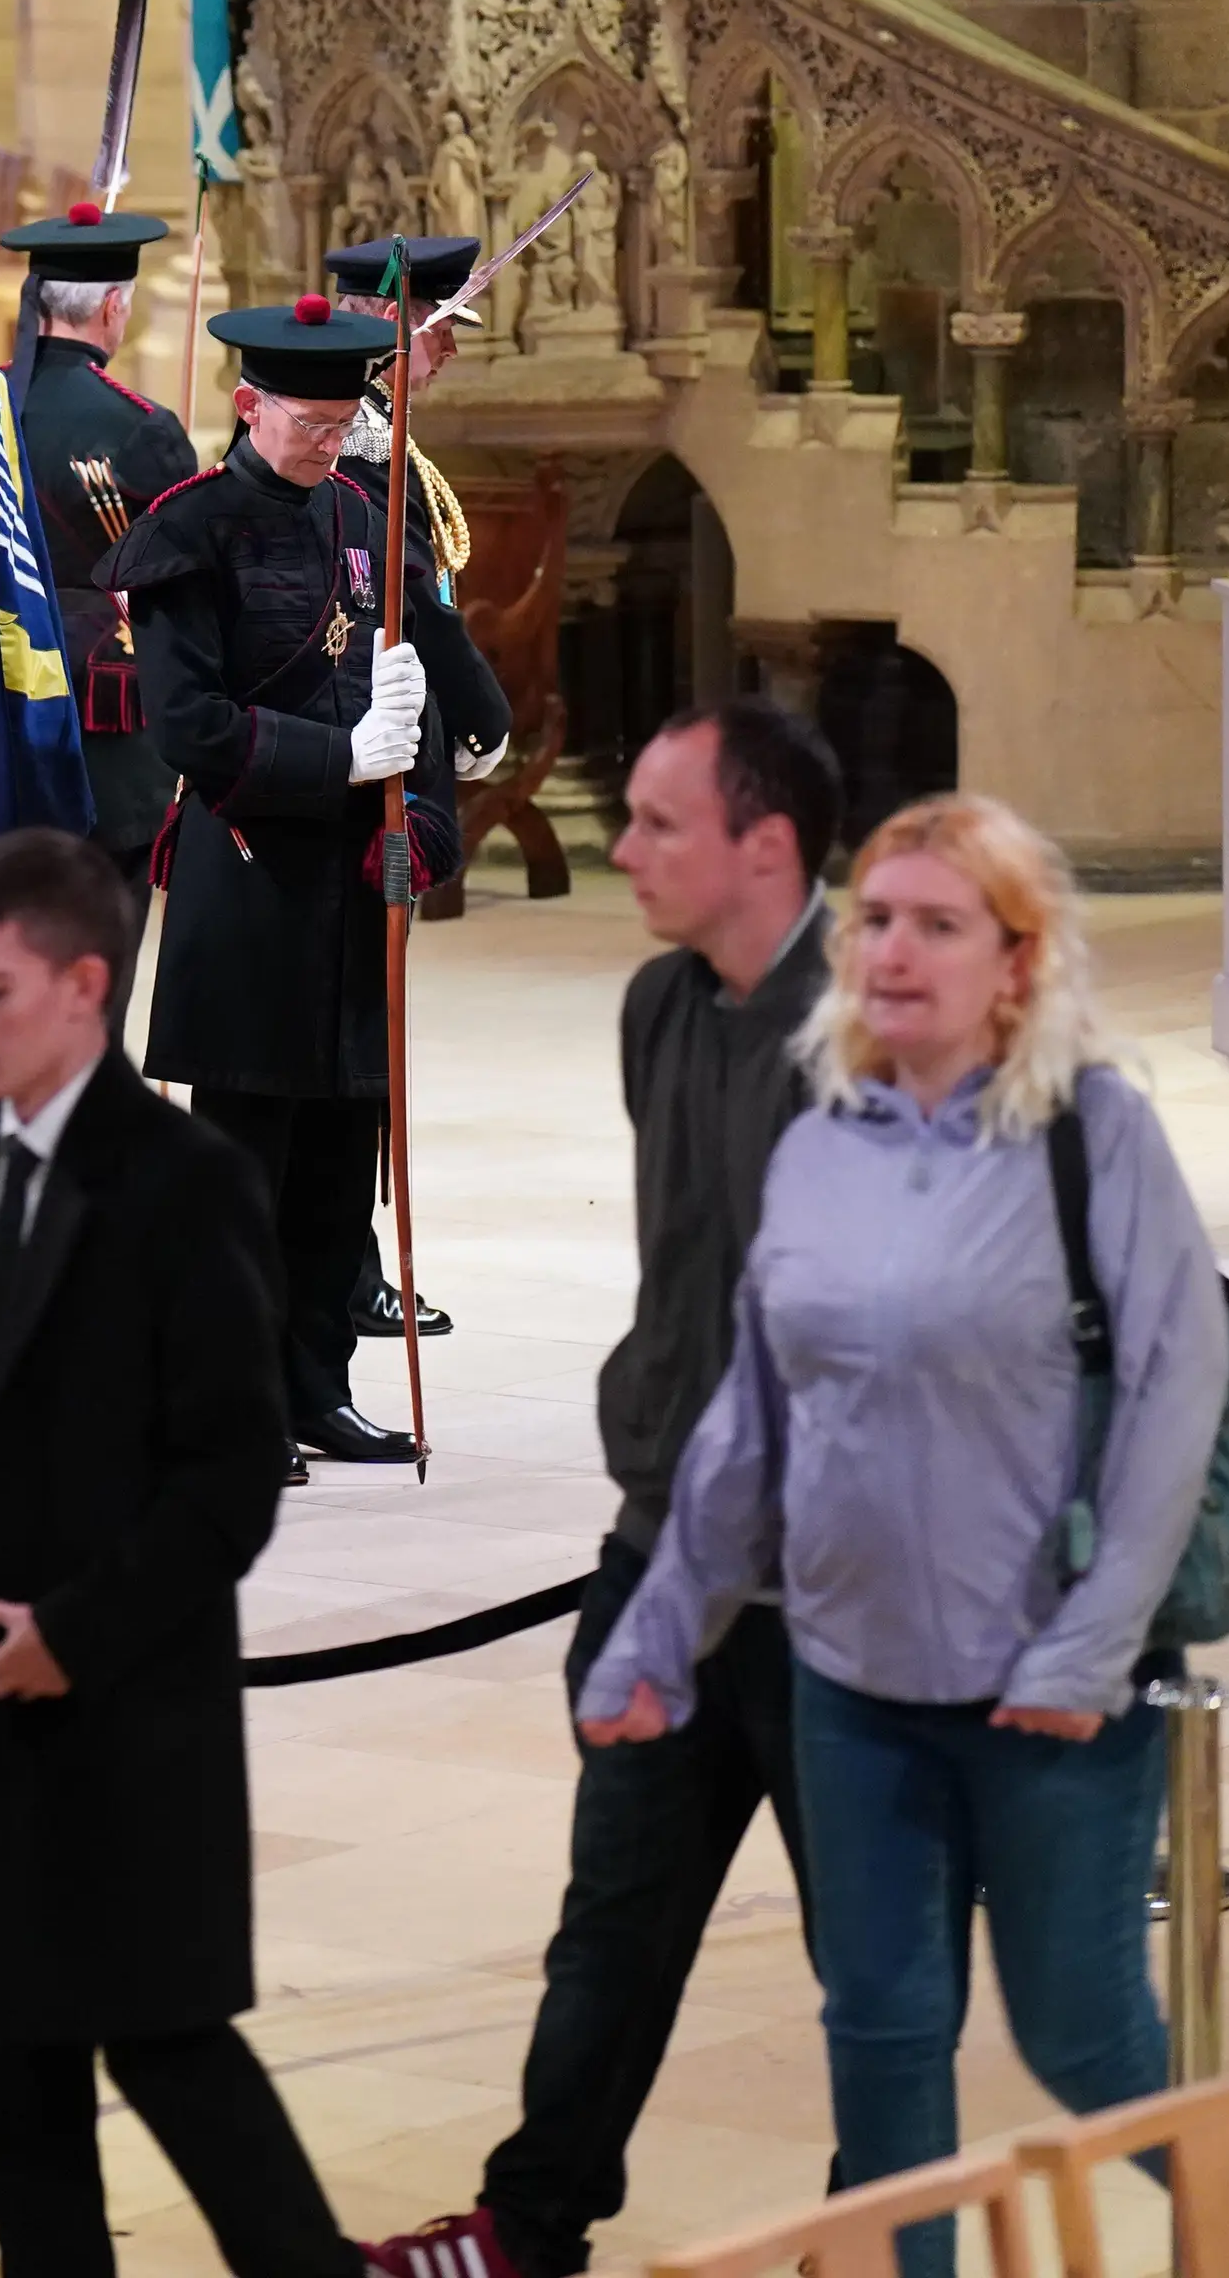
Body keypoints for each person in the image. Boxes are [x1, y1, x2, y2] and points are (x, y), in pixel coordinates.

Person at [576, 794, 1229, 2278]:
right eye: (875, 920)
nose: (895, 952)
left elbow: (1177, 1397)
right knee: (883, 2045)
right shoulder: (823, 1144)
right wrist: (659, 1630)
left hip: (1045, 1687)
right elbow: (750, 1417)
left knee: (1088, 2040)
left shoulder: (1094, 1133)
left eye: (940, 924)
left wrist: (1095, 1643)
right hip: (854, 1687)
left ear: (1016, 961)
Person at [0, 828, 457, 2278]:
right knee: (6, 2069)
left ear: (84, 986)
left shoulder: (186, 1182)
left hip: (117, 1715)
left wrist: (79, 1631)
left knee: (171, 2055)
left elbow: (231, 1477)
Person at [411, 701, 841, 2278]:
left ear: (767, 845)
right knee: (614, 1924)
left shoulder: (870, 1029)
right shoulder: (660, 1005)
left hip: (824, 1592)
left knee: (872, 1964)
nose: (630, 847)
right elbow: (686, 1290)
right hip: (665, 1549)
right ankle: (529, 2229)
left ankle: (882, 2242)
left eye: (661, 823)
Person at [113, 297, 510, 1478]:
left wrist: (422, 831)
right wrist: (332, 758)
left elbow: (421, 704)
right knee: (245, 1168)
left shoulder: (370, 522)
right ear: (249, 405)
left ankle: (315, 1386)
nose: (327, 444)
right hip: (249, 883)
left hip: (353, 891)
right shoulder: (190, 532)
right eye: (307, 423)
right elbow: (185, 723)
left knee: (342, 1165)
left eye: (343, 424)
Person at [324, 234, 487, 1345]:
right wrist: (480, 716)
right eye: (437, 338)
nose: (446, 363)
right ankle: (342, 1269)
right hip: (363, 773)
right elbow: (413, 612)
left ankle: (351, 1261)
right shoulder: (358, 460)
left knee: (367, 1038)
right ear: (396, 336)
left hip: (398, 761)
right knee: (349, 1040)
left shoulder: (387, 449)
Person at [0, 203, 198, 918]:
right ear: (114, 306)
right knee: (101, 939)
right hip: (106, 713)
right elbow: (184, 585)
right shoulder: (141, 428)